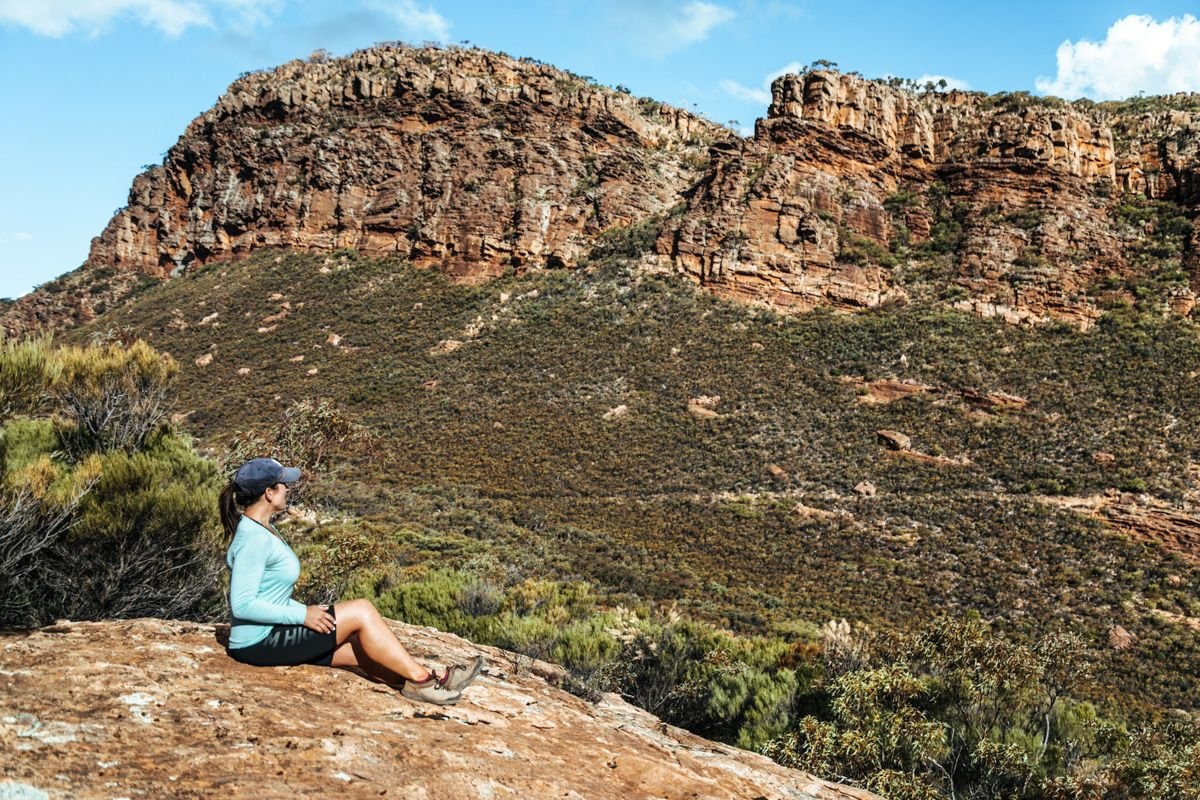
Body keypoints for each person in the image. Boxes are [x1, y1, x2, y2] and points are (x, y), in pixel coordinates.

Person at [219, 457, 481, 705]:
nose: (288, 489)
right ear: (269, 493)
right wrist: (301, 614)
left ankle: (430, 683)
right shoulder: (253, 538)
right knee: (361, 610)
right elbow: (242, 605)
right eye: (283, 484)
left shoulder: (264, 528)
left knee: (363, 649)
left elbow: (267, 591)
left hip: (270, 632)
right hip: (259, 642)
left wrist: (304, 610)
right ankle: (424, 681)